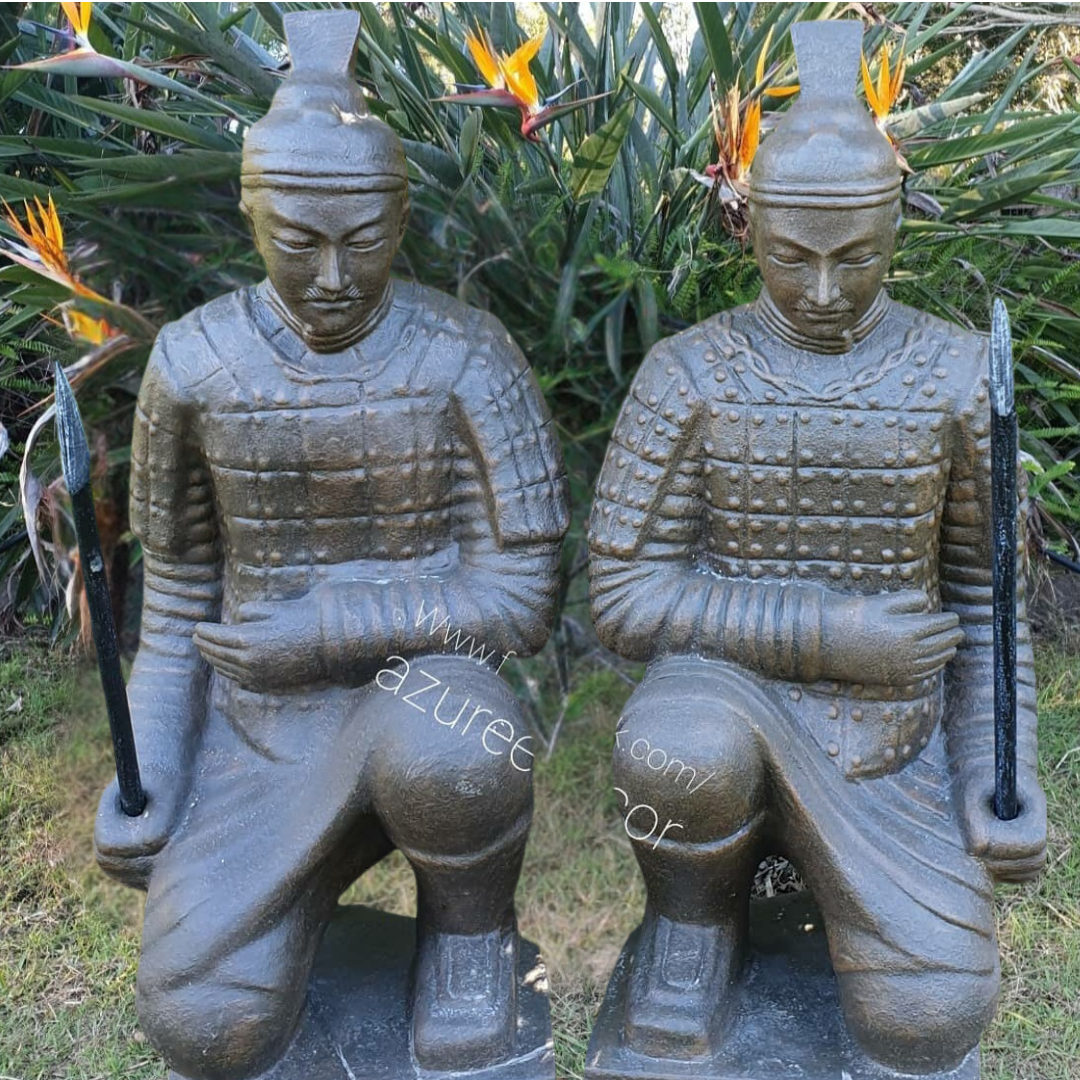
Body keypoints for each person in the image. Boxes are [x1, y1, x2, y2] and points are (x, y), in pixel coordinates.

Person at [93, 12, 568, 1080]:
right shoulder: (195, 364)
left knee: (455, 751)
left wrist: (322, 628)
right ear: (253, 213)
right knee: (208, 1025)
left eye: (364, 241)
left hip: (432, 700)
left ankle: (468, 936)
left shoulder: (465, 356)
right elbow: (175, 605)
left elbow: (523, 594)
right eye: (299, 242)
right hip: (259, 739)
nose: (335, 277)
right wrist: (154, 767)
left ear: (399, 216)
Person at [588, 21, 1045, 1074]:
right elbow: (621, 595)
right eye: (794, 258)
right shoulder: (691, 375)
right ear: (749, 228)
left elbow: (986, 600)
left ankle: (877, 917)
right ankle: (692, 930)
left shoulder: (954, 375)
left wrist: (999, 773)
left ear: (896, 233)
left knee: (928, 1024)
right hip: (726, 701)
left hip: (894, 745)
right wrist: (829, 634)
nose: (827, 293)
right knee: (677, 751)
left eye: (860, 258)